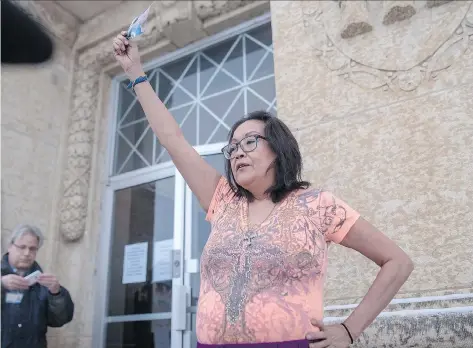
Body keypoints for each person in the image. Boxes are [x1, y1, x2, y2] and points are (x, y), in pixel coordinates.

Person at [112, 32, 414, 348]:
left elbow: (397, 261)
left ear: (278, 148)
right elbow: (172, 139)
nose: (238, 152)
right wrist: (135, 73)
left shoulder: (317, 204)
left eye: (250, 142)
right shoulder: (222, 200)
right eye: (232, 147)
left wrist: (350, 329)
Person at [1, 224, 74, 348]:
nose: (26, 253)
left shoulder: (43, 283)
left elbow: (59, 320)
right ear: (10, 247)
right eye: (22, 247)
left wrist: (56, 294)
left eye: (32, 249)